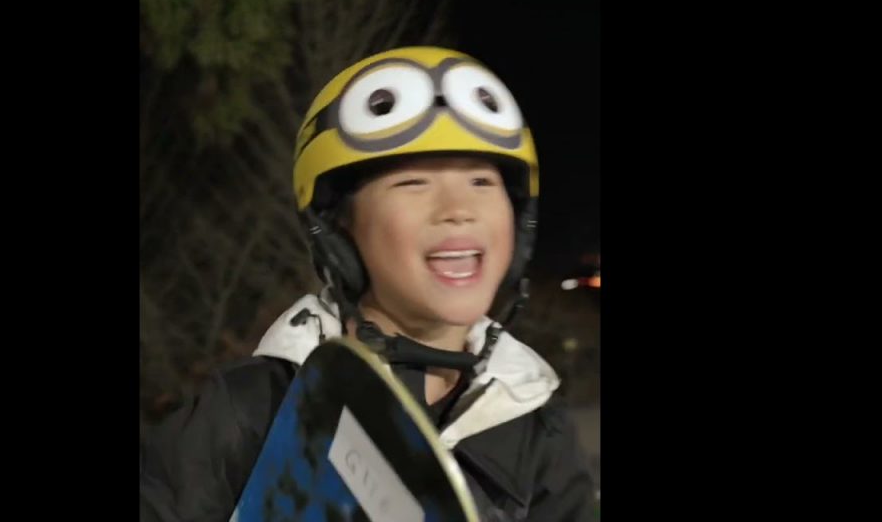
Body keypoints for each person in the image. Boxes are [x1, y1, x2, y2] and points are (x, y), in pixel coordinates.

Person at [139, 46, 597, 522]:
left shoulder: (538, 432)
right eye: (413, 183)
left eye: (482, 181)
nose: (458, 209)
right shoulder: (253, 409)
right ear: (339, 229)